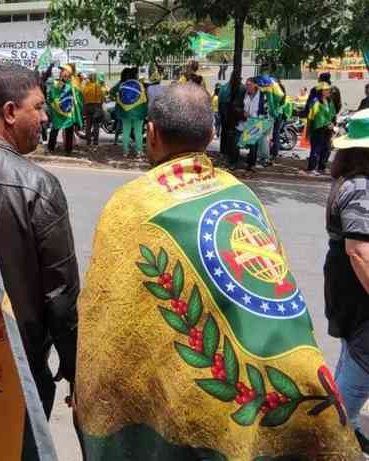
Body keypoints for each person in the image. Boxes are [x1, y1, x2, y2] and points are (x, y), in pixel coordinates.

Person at [74, 82, 361, 460]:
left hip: (189, 402)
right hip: (289, 386)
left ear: (151, 133)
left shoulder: (130, 205)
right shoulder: (240, 193)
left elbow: (107, 318)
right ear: (211, 135)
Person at [0, 63, 79, 419]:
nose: (46, 117)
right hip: (19, 368)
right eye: (39, 106)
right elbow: (61, 296)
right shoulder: (37, 185)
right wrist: (74, 366)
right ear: (10, 112)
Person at [325, 111, 369, 455]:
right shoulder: (361, 187)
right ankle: (332, 435)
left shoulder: (353, 180)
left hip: (345, 283)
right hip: (357, 287)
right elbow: (359, 253)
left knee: (351, 355)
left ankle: (346, 427)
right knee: (363, 359)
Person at [111, 67, 147, 157]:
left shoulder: (122, 84)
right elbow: (144, 99)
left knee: (126, 132)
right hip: (138, 112)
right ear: (135, 75)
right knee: (138, 132)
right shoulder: (140, 84)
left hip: (125, 111)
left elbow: (111, 92)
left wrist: (117, 98)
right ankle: (139, 151)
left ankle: (125, 152)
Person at [47, 64, 81, 154]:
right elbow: (51, 95)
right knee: (56, 130)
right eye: (61, 71)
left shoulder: (72, 85)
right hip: (60, 112)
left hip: (66, 112)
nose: (61, 72)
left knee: (67, 130)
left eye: (63, 70)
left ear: (68, 73)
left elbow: (77, 95)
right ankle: (52, 148)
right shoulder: (58, 83)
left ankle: (66, 150)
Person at [238, 77, 269, 172]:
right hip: (244, 121)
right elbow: (239, 106)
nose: (247, 86)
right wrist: (242, 112)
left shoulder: (262, 96)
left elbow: (266, 109)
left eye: (249, 84)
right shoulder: (243, 94)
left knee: (253, 144)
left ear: (255, 85)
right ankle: (235, 161)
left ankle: (251, 164)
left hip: (256, 122)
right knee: (238, 142)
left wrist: (261, 120)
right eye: (246, 84)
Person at [306, 82, 336, 175]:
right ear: (320, 91)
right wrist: (327, 124)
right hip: (318, 128)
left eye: (328, 89)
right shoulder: (315, 102)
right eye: (326, 90)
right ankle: (311, 168)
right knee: (316, 148)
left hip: (327, 128)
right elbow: (316, 116)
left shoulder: (329, 101)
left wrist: (332, 123)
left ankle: (322, 167)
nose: (328, 91)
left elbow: (332, 113)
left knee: (326, 148)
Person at [219, 72, 245, 169]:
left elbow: (220, 102)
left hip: (226, 112)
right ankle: (230, 155)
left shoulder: (224, 87)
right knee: (233, 135)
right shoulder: (241, 88)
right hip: (233, 113)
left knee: (225, 134)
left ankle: (224, 152)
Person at [82, 72, 105, 146]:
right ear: (95, 78)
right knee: (96, 125)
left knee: (88, 125)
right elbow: (102, 97)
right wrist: (100, 106)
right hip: (96, 106)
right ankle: (95, 141)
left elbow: (83, 97)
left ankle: (88, 141)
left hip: (87, 106)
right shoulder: (97, 86)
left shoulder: (86, 86)